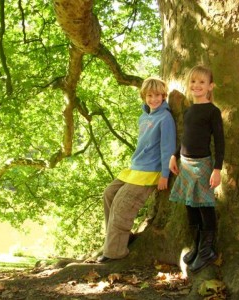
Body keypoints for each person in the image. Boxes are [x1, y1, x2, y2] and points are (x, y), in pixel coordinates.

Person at [97, 77, 176, 263]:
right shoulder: (144, 117)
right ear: (144, 96)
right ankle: (118, 240)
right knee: (109, 194)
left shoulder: (165, 118)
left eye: (158, 95)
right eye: (150, 95)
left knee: (122, 205)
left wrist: (165, 175)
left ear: (164, 96)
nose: (154, 99)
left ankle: (115, 252)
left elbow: (168, 148)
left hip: (150, 172)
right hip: (135, 169)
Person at [169, 65, 225, 273]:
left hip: (202, 165)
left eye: (202, 82)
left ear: (210, 86)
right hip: (185, 164)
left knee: (204, 206)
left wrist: (217, 169)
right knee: (190, 206)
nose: (197, 85)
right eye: (193, 81)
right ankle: (197, 245)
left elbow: (219, 143)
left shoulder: (213, 111)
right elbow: (185, 138)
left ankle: (207, 251)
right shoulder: (189, 110)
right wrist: (174, 155)